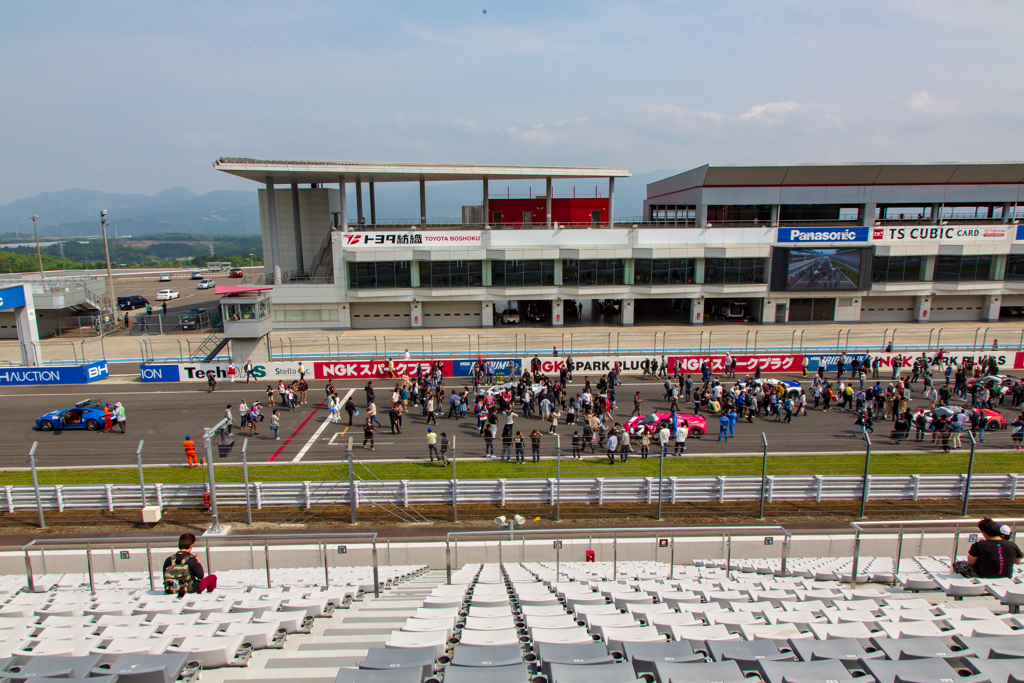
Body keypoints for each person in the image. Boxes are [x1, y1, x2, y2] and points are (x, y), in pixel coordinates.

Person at [952, 518, 1022, 578]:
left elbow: (971, 562)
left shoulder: (979, 545)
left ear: (984, 533)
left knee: (957, 564)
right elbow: (1017, 562)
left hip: (984, 576)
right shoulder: (1012, 545)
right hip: (1006, 576)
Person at [163, 533, 217, 597]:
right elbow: (200, 575)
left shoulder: (169, 559)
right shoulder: (191, 559)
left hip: (171, 590)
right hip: (190, 590)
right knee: (213, 577)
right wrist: (197, 562)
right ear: (191, 545)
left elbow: (165, 576)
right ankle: (209, 597)